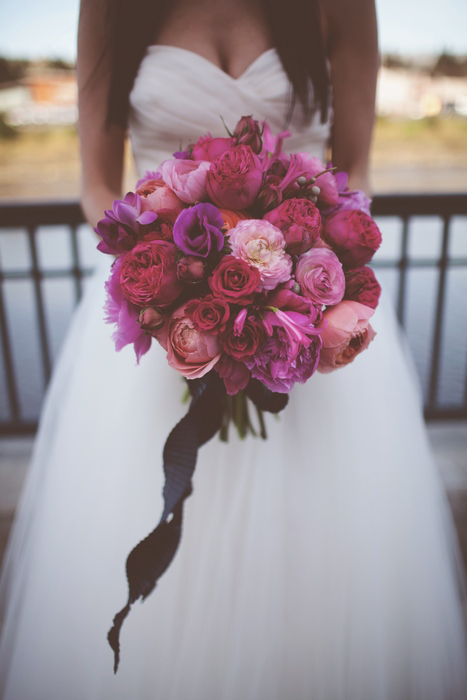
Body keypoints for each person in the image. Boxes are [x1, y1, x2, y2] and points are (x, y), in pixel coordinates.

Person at [1, 0, 467, 697]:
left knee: (317, 564)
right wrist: (169, 275)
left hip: (303, 334)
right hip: (163, 323)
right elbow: (95, 183)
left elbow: (356, 169)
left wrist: (293, 278)